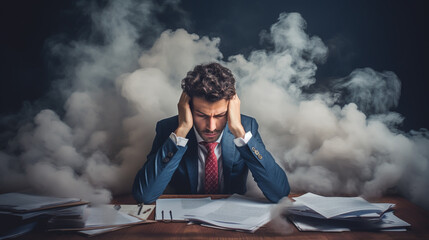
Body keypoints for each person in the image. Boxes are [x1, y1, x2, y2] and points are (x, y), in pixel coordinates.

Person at [132, 63, 290, 204]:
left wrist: (239, 133)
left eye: (220, 115)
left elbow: (279, 193)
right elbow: (144, 195)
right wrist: (181, 131)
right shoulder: (168, 129)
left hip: (233, 223)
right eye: (201, 115)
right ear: (186, 107)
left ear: (231, 108)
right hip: (184, 223)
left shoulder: (247, 126)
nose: (211, 127)